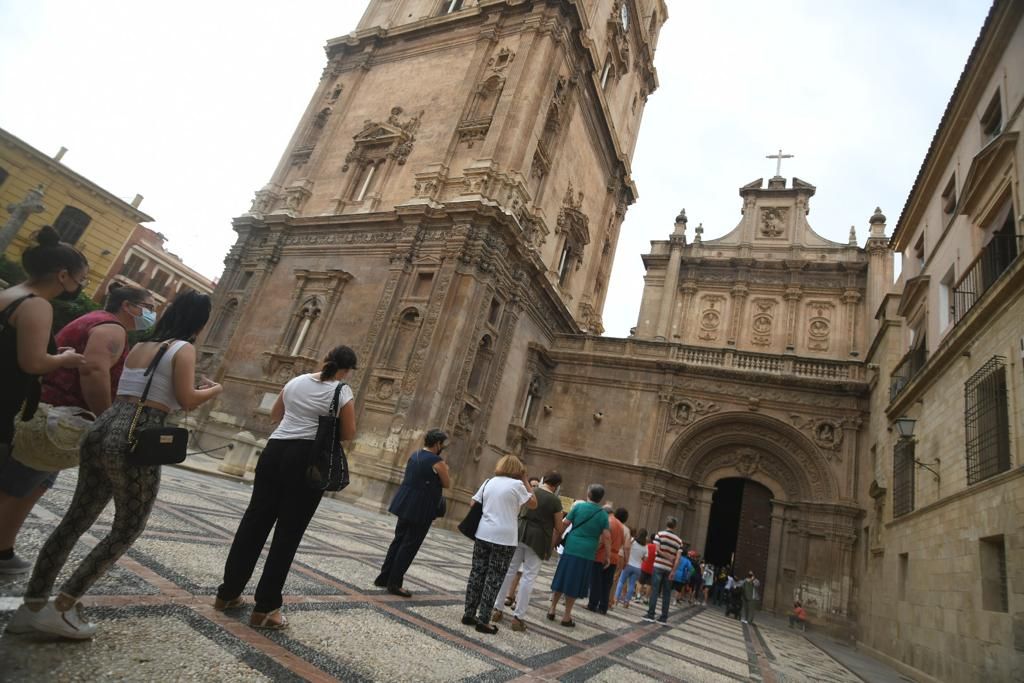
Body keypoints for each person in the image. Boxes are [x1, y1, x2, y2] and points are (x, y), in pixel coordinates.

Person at [11, 291, 221, 638]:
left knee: (75, 519)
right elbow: (185, 400)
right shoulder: (182, 349)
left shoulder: (140, 345)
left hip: (103, 425)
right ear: (199, 322)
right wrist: (212, 390)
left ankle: (31, 607)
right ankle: (63, 605)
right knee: (127, 527)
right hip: (139, 434)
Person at [0, 283, 155, 574]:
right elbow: (93, 371)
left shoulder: (96, 320)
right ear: (128, 306)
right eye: (149, 305)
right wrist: (106, 419)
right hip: (60, 417)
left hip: (55, 414)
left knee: (34, 485)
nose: (152, 312)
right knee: (15, 486)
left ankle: (4, 548)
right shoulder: (112, 329)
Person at [216, 345, 357, 630]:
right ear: (347, 369)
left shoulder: (295, 381)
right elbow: (347, 433)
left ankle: (228, 593)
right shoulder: (342, 391)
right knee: (287, 533)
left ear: (325, 359)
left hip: (274, 451)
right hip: (306, 460)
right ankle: (266, 608)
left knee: (254, 522)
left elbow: (275, 414)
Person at [0, 226, 88, 574]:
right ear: (63, 275)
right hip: (6, 405)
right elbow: (33, 363)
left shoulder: (12, 293)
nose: (82, 285)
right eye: (82, 278)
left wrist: (53, 352)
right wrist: (64, 359)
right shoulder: (38, 306)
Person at [461, 455, 536, 634]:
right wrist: (525, 479)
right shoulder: (517, 485)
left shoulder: (489, 482)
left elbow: (473, 502)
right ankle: (484, 620)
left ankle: (469, 613)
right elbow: (533, 504)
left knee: (477, 573)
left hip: (483, 533)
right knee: (494, 578)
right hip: (504, 538)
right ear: (518, 470)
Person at [375, 429, 451, 596]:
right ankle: (395, 583)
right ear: (438, 444)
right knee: (409, 545)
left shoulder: (414, 455)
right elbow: (446, 483)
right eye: (443, 444)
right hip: (422, 507)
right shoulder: (437, 462)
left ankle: (384, 576)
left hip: (405, 502)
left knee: (398, 540)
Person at [491, 471, 564, 631]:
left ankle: (497, 609)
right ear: (557, 485)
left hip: (519, 532)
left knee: (509, 571)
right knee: (528, 577)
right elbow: (559, 527)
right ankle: (518, 617)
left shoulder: (531, 490)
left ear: (544, 479)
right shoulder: (555, 501)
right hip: (538, 540)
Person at [548, 484, 610, 628]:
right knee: (575, 583)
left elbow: (564, 524)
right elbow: (606, 537)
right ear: (601, 498)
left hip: (571, 547)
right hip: (587, 553)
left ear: (588, 494)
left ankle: (552, 609)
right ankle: (566, 616)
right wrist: (607, 555)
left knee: (561, 577)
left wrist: (555, 541)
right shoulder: (602, 515)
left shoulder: (578, 508)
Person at [643, 516, 682, 625]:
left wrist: (666, 556)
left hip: (658, 566)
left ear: (666, 524)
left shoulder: (659, 535)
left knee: (655, 590)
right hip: (669, 568)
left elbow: (657, 550)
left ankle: (651, 615)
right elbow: (678, 559)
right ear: (675, 526)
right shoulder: (678, 541)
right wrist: (673, 570)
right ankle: (664, 618)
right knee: (666, 593)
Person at [588, 506, 627, 614]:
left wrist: (594, 551)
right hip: (614, 557)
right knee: (606, 584)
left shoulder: (608, 522)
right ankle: (603, 607)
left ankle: (592, 604)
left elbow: (603, 539)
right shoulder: (621, 526)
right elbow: (623, 542)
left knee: (596, 581)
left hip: (602, 555)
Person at [614, 529, 646, 608]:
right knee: (631, 585)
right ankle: (626, 602)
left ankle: (616, 600)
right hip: (637, 568)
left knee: (621, 582)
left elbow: (626, 547)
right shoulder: (645, 546)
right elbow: (645, 559)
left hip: (628, 564)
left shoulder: (632, 540)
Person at [638, 532, 657, 603]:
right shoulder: (658, 549)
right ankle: (646, 598)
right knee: (649, 584)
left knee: (640, 582)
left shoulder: (647, 545)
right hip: (653, 569)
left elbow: (643, 556)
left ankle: (638, 596)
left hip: (644, 566)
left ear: (651, 539)